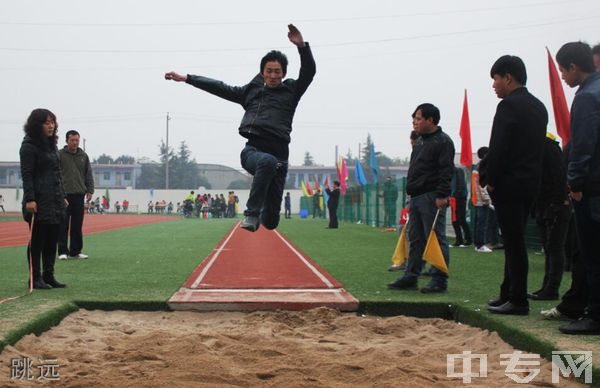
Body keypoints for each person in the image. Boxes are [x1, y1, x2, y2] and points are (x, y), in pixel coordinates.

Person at [165, 24, 316, 232]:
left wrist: (302, 46)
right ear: (263, 73)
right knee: (266, 162)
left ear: (283, 73)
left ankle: (263, 211)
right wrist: (188, 79)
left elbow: (309, 72)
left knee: (271, 222)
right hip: (253, 152)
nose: (273, 75)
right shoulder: (250, 93)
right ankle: (251, 215)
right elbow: (219, 87)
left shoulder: (292, 91)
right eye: (269, 71)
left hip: (280, 159)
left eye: (277, 72)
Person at [484, 55, 548, 316]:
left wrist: (490, 179)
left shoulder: (509, 106)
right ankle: (507, 293)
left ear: (508, 77)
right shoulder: (539, 106)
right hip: (531, 183)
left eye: (496, 79)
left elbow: (499, 148)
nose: (494, 85)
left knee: (513, 242)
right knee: (515, 239)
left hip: (509, 184)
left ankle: (518, 299)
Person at [555, 41, 600, 334]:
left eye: (563, 70)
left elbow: (582, 145)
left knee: (593, 254)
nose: (562, 77)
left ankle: (595, 316)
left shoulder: (586, 97)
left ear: (574, 67)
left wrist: (574, 182)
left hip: (592, 190)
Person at [388, 103, 455, 293]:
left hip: (432, 197)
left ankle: (439, 279)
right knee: (415, 237)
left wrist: (442, 195)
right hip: (416, 197)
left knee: (435, 236)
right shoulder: (420, 141)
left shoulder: (443, 142)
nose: (414, 122)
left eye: (418, 118)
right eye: (414, 119)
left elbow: (446, 171)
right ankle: (411, 275)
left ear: (430, 120)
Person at [20, 108, 67, 289]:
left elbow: (57, 173)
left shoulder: (51, 146)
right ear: (36, 125)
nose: (51, 126)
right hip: (38, 201)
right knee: (37, 240)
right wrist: (30, 199)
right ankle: (35, 277)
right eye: (46, 122)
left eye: (52, 122)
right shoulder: (29, 146)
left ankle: (49, 275)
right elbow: (27, 174)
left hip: (54, 200)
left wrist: (62, 195)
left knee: (52, 239)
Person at [529, 132, 570, 301]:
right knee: (549, 248)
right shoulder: (538, 145)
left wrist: (557, 203)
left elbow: (559, 176)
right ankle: (547, 287)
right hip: (545, 204)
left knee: (554, 248)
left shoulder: (548, 146)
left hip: (555, 205)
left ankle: (552, 288)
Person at [58, 130, 94, 260]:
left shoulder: (83, 156)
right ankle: (62, 251)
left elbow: (88, 174)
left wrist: (90, 190)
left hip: (79, 194)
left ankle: (76, 251)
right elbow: (55, 175)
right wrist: (59, 194)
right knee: (63, 224)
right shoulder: (59, 155)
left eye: (77, 140)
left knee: (77, 225)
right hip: (64, 195)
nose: (75, 143)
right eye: (72, 140)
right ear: (67, 141)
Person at [449, 166, 472, 247]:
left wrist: (455, 195)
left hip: (460, 198)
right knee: (454, 221)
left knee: (461, 219)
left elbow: (460, 186)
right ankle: (459, 240)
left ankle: (468, 239)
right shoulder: (448, 173)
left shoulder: (459, 171)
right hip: (453, 198)